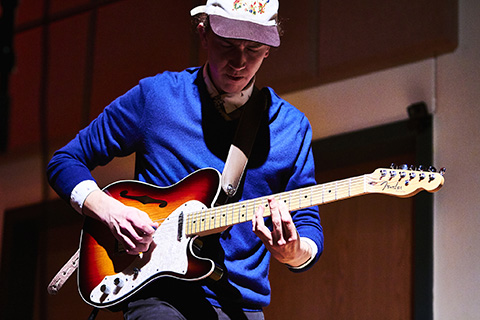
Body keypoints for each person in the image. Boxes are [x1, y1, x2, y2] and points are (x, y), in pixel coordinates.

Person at [47, 1, 324, 319]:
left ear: (269, 49)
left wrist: (293, 252)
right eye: (227, 45)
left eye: (254, 48)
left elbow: (308, 227)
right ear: (203, 34)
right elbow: (65, 160)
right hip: (157, 293)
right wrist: (109, 211)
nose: (239, 61)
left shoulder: (291, 127)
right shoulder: (157, 98)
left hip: (240, 305)